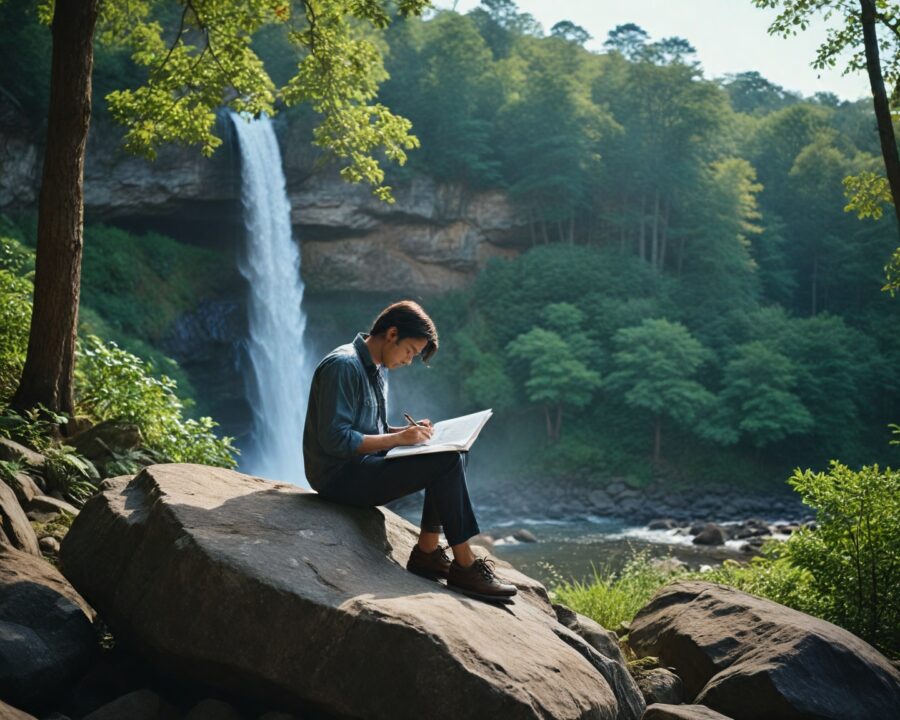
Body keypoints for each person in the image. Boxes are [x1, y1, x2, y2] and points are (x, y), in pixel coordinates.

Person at [303, 300, 516, 601]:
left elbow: (368, 429)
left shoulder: (377, 368)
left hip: (363, 466)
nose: (408, 361)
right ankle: (463, 564)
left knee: (452, 452)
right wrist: (398, 441)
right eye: (410, 352)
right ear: (392, 334)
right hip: (337, 478)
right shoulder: (344, 365)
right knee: (445, 460)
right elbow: (335, 440)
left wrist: (404, 434)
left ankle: (428, 551)